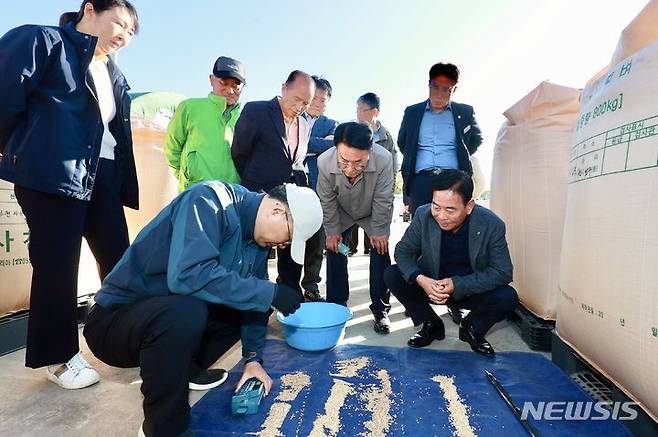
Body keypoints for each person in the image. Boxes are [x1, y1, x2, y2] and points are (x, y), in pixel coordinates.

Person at [83, 182, 322, 437]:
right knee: (188, 311)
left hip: (165, 314)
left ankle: (186, 368)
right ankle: (164, 429)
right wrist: (269, 293)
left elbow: (253, 301)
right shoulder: (207, 201)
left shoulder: (257, 242)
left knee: (252, 299)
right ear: (276, 211)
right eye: (289, 237)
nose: (283, 245)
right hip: (114, 322)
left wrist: (253, 360)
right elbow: (186, 276)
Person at [0, 0, 139, 389]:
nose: (124, 37)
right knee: (57, 264)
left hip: (103, 174)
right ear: (90, 9)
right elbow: (4, 96)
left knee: (120, 261)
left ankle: (128, 338)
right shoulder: (43, 40)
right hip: (52, 169)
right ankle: (58, 357)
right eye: (120, 24)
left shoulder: (114, 73)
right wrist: (14, 153)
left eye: (130, 33)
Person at [384, 169, 518, 356]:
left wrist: (457, 284)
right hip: (432, 284)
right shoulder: (423, 215)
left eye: (450, 209)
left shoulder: (491, 224)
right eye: (436, 206)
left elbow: (503, 272)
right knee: (392, 274)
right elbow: (403, 251)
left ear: (469, 205)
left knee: (508, 297)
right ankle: (431, 324)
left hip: (469, 289)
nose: (441, 215)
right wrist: (422, 279)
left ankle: (471, 328)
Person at [232, 70, 315, 296]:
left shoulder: (305, 125)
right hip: (259, 197)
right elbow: (239, 153)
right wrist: (256, 188)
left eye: (306, 103)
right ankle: (255, 299)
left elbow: (296, 163)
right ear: (283, 88)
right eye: (297, 99)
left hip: (291, 201)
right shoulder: (256, 110)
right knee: (255, 255)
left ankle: (287, 295)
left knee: (291, 253)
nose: (300, 107)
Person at [317, 122, 394, 334]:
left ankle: (381, 309)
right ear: (336, 150)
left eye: (359, 162)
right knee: (335, 251)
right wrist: (332, 231)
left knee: (380, 250)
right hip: (341, 212)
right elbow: (326, 199)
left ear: (370, 151)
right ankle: (337, 305)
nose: (350, 169)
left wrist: (379, 230)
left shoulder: (384, 159)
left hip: (371, 211)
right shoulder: (324, 161)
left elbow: (383, 198)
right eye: (344, 161)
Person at [398, 63, 483, 215]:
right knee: (421, 228)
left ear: (454, 89)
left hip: (455, 181)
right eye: (435, 87)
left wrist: (460, 154)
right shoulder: (412, 112)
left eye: (446, 90)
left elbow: (477, 139)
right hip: (420, 181)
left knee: (454, 229)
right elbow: (403, 142)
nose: (439, 95)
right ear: (428, 85)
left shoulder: (465, 112)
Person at [165, 56, 246, 191]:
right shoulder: (189, 107)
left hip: (233, 197)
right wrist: (185, 177)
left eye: (235, 85)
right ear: (211, 79)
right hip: (195, 192)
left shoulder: (245, 118)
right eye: (224, 83)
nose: (230, 90)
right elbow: (172, 147)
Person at [301, 76, 339, 302]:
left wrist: (304, 141)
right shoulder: (293, 116)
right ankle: (286, 284)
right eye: (315, 98)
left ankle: (311, 285)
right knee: (292, 236)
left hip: (319, 188)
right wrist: (316, 142)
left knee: (317, 240)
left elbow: (331, 147)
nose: (318, 103)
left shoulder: (331, 124)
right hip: (293, 185)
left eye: (323, 100)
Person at [350, 92, 397, 256]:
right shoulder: (350, 131)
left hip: (378, 188)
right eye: (357, 110)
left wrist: (389, 188)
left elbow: (393, 162)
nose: (358, 114)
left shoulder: (386, 136)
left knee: (377, 229)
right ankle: (349, 248)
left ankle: (372, 249)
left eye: (362, 110)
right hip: (354, 187)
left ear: (375, 111)